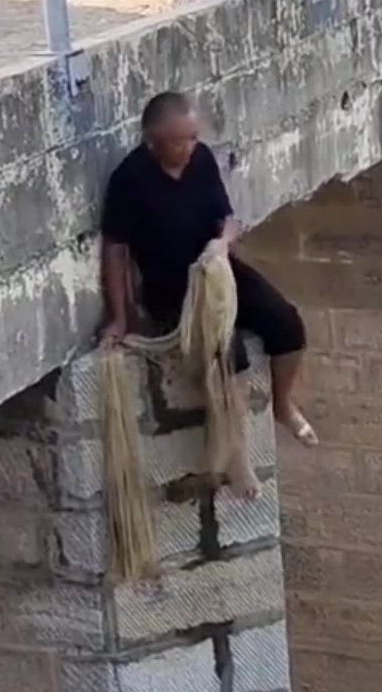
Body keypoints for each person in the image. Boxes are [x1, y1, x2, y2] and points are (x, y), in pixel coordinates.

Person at [100, 92, 316, 496]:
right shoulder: (129, 180)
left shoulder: (200, 162)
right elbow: (115, 250)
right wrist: (120, 315)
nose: (188, 148)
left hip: (219, 271)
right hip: (174, 288)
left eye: (192, 138)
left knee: (286, 323)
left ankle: (284, 405)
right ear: (152, 141)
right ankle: (237, 453)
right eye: (179, 141)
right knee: (224, 352)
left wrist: (222, 243)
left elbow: (229, 219)